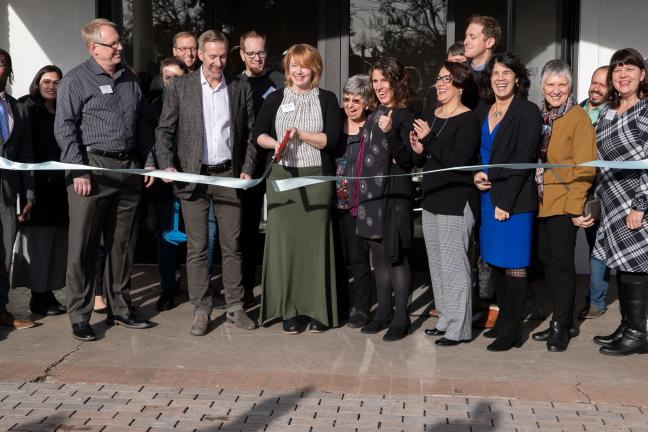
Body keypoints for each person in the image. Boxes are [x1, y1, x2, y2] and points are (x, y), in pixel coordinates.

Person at [54, 18, 155, 341]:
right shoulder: (75, 80)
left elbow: (142, 125)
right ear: (93, 47)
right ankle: (80, 315)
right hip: (91, 169)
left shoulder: (129, 79)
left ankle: (120, 306)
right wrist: (78, 169)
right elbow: (65, 127)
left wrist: (149, 162)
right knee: (83, 247)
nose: (120, 47)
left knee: (122, 246)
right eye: (113, 44)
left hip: (128, 170)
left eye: (120, 41)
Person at [155, 30, 257, 336]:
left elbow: (251, 133)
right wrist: (168, 164)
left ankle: (235, 307)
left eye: (223, 56)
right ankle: (201, 310)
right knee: (197, 248)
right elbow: (163, 131)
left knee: (232, 246)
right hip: (192, 177)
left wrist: (248, 167)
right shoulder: (181, 86)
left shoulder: (240, 86)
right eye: (212, 56)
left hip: (228, 176)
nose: (218, 62)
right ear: (199, 55)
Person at [253, 43, 341, 334]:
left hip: (316, 179)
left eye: (304, 65)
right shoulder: (276, 97)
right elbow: (259, 135)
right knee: (285, 246)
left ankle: (317, 310)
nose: (299, 70)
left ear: (314, 68)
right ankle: (288, 310)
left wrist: (301, 134)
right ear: (287, 69)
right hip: (281, 179)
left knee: (314, 247)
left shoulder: (327, 99)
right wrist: (275, 143)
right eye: (294, 65)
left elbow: (332, 140)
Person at [473, 52, 542, 351]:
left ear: (517, 78)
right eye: (495, 73)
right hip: (488, 197)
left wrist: (507, 202)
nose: (500, 78)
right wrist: (475, 174)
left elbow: (523, 160)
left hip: (513, 201)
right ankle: (502, 320)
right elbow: (476, 153)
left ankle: (514, 329)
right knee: (495, 260)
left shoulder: (527, 112)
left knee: (513, 264)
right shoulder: (483, 110)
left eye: (506, 72)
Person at [410, 61, 480, 346]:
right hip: (432, 199)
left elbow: (457, 162)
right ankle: (446, 319)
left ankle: (460, 328)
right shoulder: (432, 115)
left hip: (456, 200)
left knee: (454, 266)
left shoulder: (469, 120)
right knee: (437, 265)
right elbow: (428, 160)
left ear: (460, 86)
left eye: (446, 79)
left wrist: (428, 140)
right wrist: (419, 150)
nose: (439, 84)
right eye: (438, 78)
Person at [529, 60, 597, 352]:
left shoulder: (578, 117)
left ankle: (561, 326)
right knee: (547, 262)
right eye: (550, 85)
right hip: (541, 202)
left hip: (563, 203)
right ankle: (564, 318)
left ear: (570, 87)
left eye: (562, 85)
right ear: (542, 87)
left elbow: (586, 168)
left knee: (561, 265)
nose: (556, 90)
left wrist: (574, 206)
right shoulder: (540, 116)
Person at [592, 48, 648, 356]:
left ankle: (639, 332)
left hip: (636, 204)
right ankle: (627, 325)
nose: (622, 75)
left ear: (642, 74)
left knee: (636, 268)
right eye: (617, 70)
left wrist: (641, 205)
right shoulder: (608, 111)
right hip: (612, 202)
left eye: (629, 69)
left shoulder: (646, 110)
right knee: (621, 267)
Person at [357, 57, 415, 342]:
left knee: (396, 257)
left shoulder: (405, 114)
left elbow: (407, 159)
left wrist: (391, 133)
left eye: (384, 80)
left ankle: (401, 318)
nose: (379, 86)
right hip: (371, 196)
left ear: (396, 81)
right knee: (378, 256)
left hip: (394, 195)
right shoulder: (375, 111)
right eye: (375, 80)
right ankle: (383, 313)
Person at [13, 65, 68, 317]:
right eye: (46, 81)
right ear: (38, 83)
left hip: (62, 186)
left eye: (56, 82)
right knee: (38, 244)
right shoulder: (27, 107)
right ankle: (38, 295)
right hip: (36, 185)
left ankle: (49, 292)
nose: (51, 86)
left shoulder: (65, 109)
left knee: (58, 243)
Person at [236, 30, 284, 307]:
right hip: (248, 167)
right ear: (242, 54)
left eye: (261, 52)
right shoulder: (234, 84)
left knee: (278, 227)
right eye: (251, 53)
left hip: (278, 163)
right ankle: (245, 287)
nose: (257, 58)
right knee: (247, 229)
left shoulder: (280, 81)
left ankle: (278, 286)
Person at [148, 57, 189, 311]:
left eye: (177, 77)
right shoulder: (153, 106)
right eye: (167, 77)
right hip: (165, 180)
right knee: (167, 236)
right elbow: (151, 137)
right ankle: (168, 287)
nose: (171, 82)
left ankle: (200, 285)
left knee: (199, 236)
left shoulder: (195, 102)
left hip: (193, 178)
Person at [333, 74, 373, 328]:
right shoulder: (335, 122)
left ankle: (361, 307)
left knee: (358, 259)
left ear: (367, 102)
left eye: (356, 100)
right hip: (333, 202)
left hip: (360, 203)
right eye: (347, 99)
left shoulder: (372, 127)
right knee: (337, 258)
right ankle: (338, 305)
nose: (350, 105)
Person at [0, 49, 36, 330]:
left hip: (9, 191)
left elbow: (25, 154)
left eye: (0, 64)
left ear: (8, 70)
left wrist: (29, 193)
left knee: (4, 250)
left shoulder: (18, 108)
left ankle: (1, 309)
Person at [578, 66, 611, 320]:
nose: (596, 88)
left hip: (598, 191)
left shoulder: (613, 115)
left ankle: (596, 301)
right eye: (593, 82)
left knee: (597, 247)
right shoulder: (577, 109)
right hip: (572, 187)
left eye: (603, 84)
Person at [463, 15, 501, 110]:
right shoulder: (459, 71)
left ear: (489, 42)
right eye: (466, 36)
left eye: (472, 37)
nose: (465, 42)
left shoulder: (501, 75)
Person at [149, 31, 199, 101]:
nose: (189, 53)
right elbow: (154, 109)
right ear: (174, 51)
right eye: (183, 48)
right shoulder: (159, 82)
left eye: (193, 48)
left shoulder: (205, 77)